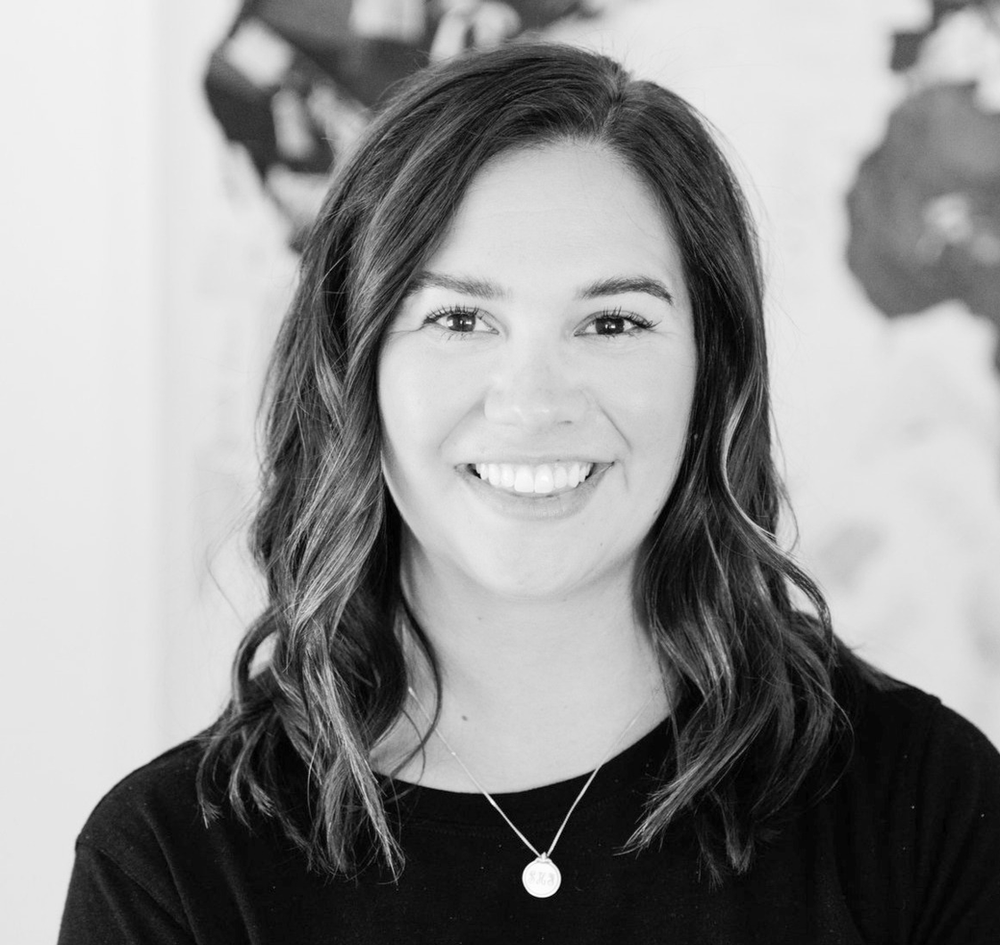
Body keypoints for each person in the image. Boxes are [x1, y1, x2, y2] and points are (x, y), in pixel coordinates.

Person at [59, 43, 1000, 944]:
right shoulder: (172, 864)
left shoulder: (927, 804)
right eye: (460, 317)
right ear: (356, 367)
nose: (535, 400)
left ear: (711, 371)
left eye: (613, 321)